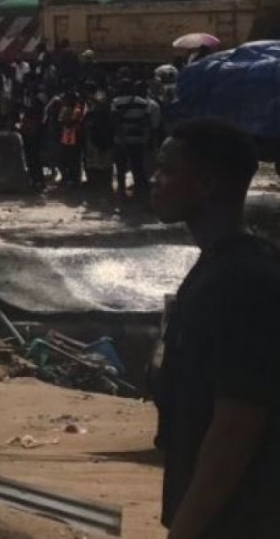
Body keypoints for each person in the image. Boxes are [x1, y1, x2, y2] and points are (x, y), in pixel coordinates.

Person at [150, 118, 280, 538]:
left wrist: (184, 531)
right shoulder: (217, 267)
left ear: (207, 183)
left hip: (238, 520)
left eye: (167, 169)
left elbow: (236, 423)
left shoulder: (242, 280)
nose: (155, 179)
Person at [112, 80, 161, 199]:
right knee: (137, 166)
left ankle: (121, 191)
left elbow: (115, 123)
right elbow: (147, 123)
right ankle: (139, 192)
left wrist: (122, 139)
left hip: (121, 140)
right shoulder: (144, 103)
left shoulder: (115, 102)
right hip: (138, 140)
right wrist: (146, 139)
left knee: (121, 167)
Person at [83, 86, 116, 195]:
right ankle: (99, 185)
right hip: (97, 140)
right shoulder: (94, 111)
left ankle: (103, 186)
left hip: (102, 139)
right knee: (99, 164)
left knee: (103, 164)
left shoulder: (105, 111)